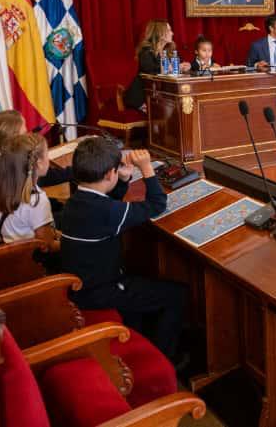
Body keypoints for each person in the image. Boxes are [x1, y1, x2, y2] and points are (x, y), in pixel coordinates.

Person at [60, 137, 186, 361]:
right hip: (101, 292)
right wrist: (147, 169)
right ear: (110, 174)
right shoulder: (108, 212)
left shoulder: (75, 202)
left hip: (84, 287)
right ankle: (164, 359)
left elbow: (107, 203)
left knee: (142, 281)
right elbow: (157, 205)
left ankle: (143, 334)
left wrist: (124, 178)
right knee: (176, 294)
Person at [0, 134, 61, 263]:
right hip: (30, 264)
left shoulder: (8, 188)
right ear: (39, 164)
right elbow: (48, 246)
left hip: (11, 255)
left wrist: (62, 236)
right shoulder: (37, 201)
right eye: (47, 154)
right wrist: (75, 246)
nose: (49, 158)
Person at [125, 20, 172, 111]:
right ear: (160, 33)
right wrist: (168, 68)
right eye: (169, 30)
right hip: (141, 98)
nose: (172, 33)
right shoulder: (145, 51)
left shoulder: (168, 51)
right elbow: (151, 72)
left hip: (159, 95)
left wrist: (183, 66)